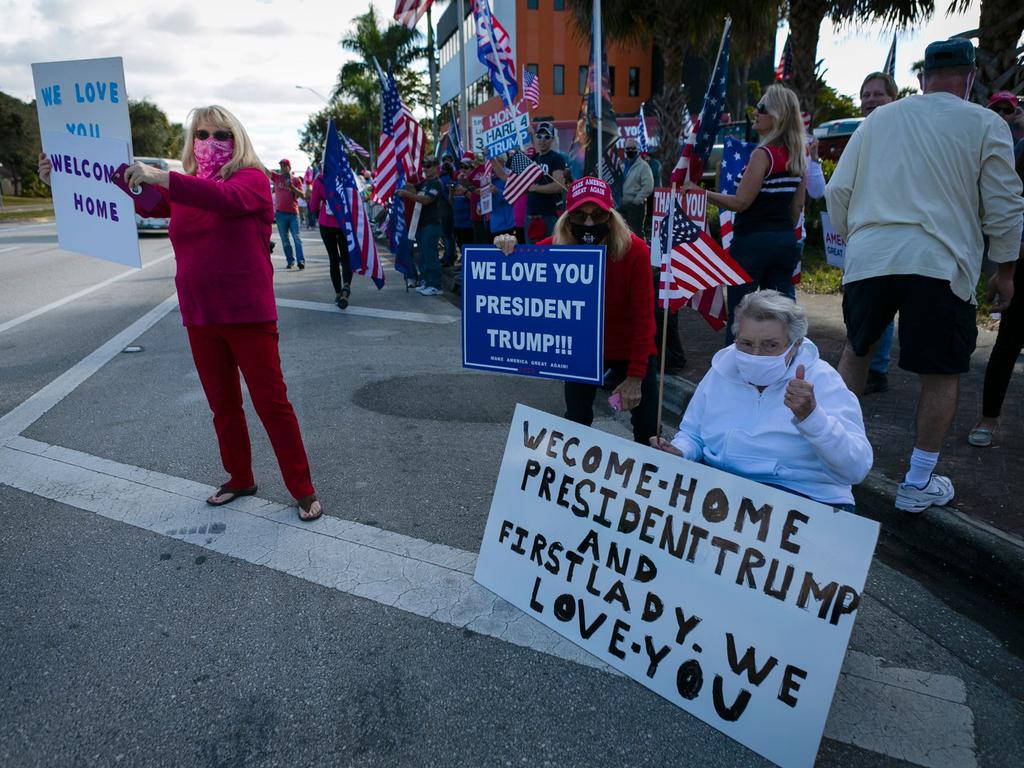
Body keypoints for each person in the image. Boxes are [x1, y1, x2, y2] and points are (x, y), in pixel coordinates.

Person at [38, 105, 323, 521]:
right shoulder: (187, 188)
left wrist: (164, 176)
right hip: (200, 315)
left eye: (220, 134)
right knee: (222, 405)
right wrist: (62, 174)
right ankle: (239, 477)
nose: (209, 142)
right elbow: (136, 193)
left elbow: (222, 199)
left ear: (237, 138)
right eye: (201, 134)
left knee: (271, 404)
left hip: (248, 316)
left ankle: (302, 488)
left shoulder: (253, 181)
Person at [826, 38, 1023, 513]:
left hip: (872, 253)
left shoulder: (880, 119)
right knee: (940, 372)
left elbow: (837, 189)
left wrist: (859, 241)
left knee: (856, 351)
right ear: (971, 78)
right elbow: (1004, 206)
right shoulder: (985, 123)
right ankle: (916, 483)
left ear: (921, 81)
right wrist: (1006, 271)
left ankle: (833, 465)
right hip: (940, 259)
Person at [650, 290, 872, 510]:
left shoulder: (822, 379)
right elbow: (693, 433)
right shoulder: (722, 368)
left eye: (770, 345)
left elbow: (855, 469)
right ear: (735, 337)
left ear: (795, 344)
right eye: (746, 343)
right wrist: (681, 450)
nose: (755, 355)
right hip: (722, 489)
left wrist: (812, 418)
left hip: (801, 495)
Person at [494, 176, 659, 445]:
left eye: (598, 215)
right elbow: (520, 266)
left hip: (630, 349)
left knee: (648, 428)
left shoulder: (635, 251)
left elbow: (645, 321)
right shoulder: (557, 247)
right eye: (579, 216)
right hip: (583, 352)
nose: (589, 223)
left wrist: (635, 377)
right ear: (567, 219)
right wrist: (505, 244)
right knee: (576, 420)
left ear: (611, 215)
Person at [686, 84, 807, 343]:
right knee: (783, 316)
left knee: (741, 316)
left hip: (752, 243)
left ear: (776, 115)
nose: (756, 113)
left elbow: (741, 203)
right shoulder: (798, 157)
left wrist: (700, 192)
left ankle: (735, 373)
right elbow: (796, 210)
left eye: (761, 108)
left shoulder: (763, 155)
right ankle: (782, 366)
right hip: (785, 241)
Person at [968, 107, 1024, 447]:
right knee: (1006, 347)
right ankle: (988, 418)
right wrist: (1006, 271)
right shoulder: (1019, 152)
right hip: (1019, 271)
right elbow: (1009, 207)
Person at [857, 71, 900, 394]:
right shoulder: (861, 134)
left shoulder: (900, 134)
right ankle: (869, 365)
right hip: (864, 235)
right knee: (869, 307)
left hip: (892, 235)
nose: (870, 100)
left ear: (892, 98)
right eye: (866, 95)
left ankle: (877, 369)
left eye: (877, 94)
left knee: (882, 306)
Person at [397, 156, 451, 296]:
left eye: (428, 165)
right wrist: (402, 177)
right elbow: (414, 189)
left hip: (432, 224)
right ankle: (426, 281)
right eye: (424, 166)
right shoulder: (426, 182)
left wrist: (407, 194)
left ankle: (435, 285)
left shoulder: (436, 184)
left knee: (430, 255)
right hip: (421, 224)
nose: (425, 168)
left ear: (435, 167)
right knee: (423, 256)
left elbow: (426, 200)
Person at [309, 171, 353, 309]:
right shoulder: (345, 175)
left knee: (334, 259)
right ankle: (346, 288)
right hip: (343, 223)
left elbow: (312, 206)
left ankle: (338, 293)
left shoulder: (319, 181)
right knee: (346, 258)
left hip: (326, 224)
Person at [525, 122, 568, 243]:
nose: (542, 140)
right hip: (530, 218)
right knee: (530, 256)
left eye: (547, 137)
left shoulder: (556, 158)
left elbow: (558, 186)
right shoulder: (533, 159)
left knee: (549, 254)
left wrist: (535, 188)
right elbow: (507, 177)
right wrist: (491, 158)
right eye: (539, 136)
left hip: (548, 217)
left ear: (552, 139)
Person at [271, 159, 305, 269]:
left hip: (293, 214)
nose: (282, 168)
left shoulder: (296, 180)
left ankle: (301, 261)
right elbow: (264, 170)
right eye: (281, 166)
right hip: (280, 215)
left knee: (296, 238)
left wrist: (291, 187)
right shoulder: (276, 177)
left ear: (289, 167)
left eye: (285, 166)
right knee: (285, 240)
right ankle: (290, 261)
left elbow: (302, 195)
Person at [618, 136, 654, 236]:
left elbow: (648, 186)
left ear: (637, 149)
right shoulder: (622, 165)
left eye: (633, 148)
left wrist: (636, 201)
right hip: (622, 205)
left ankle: (642, 251)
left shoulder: (643, 166)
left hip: (636, 206)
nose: (630, 150)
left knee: (636, 234)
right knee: (623, 235)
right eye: (628, 148)